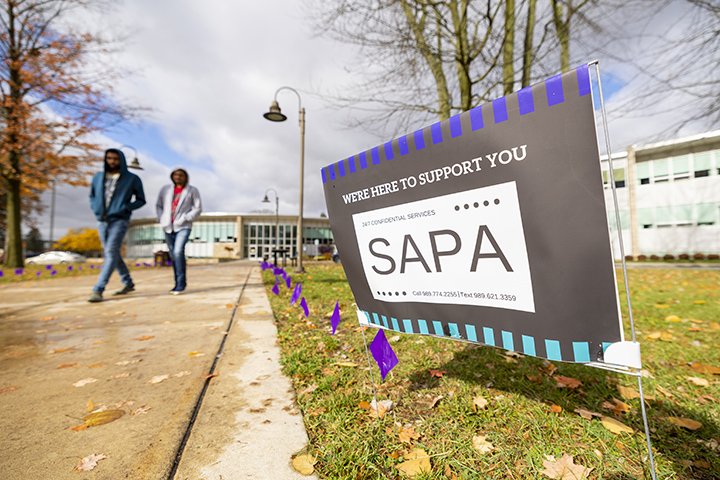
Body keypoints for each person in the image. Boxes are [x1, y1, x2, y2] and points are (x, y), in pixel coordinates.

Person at [88, 148, 146, 303]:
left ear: (121, 160)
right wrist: (95, 208)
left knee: (111, 252)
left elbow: (141, 200)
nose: (112, 161)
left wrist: (126, 207)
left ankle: (98, 289)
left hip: (120, 220)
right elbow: (92, 196)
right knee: (112, 254)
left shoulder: (132, 179)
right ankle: (128, 282)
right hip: (102, 220)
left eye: (115, 158)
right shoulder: (98, 177)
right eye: (109, 158)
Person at [156, 167, 202, 294]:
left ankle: (180, 285)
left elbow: (197, 208)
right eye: (176, 175)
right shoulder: (165, 190)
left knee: (177, 252)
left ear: (185, 177)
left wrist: (186, 218)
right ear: (172, 176)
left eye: (181, 175)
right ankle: (177, 283)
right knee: (174, 256)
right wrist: (161, 218)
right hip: (168, 226)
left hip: (183, 226)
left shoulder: (192, 190)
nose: (178, 177)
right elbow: (159, 206)